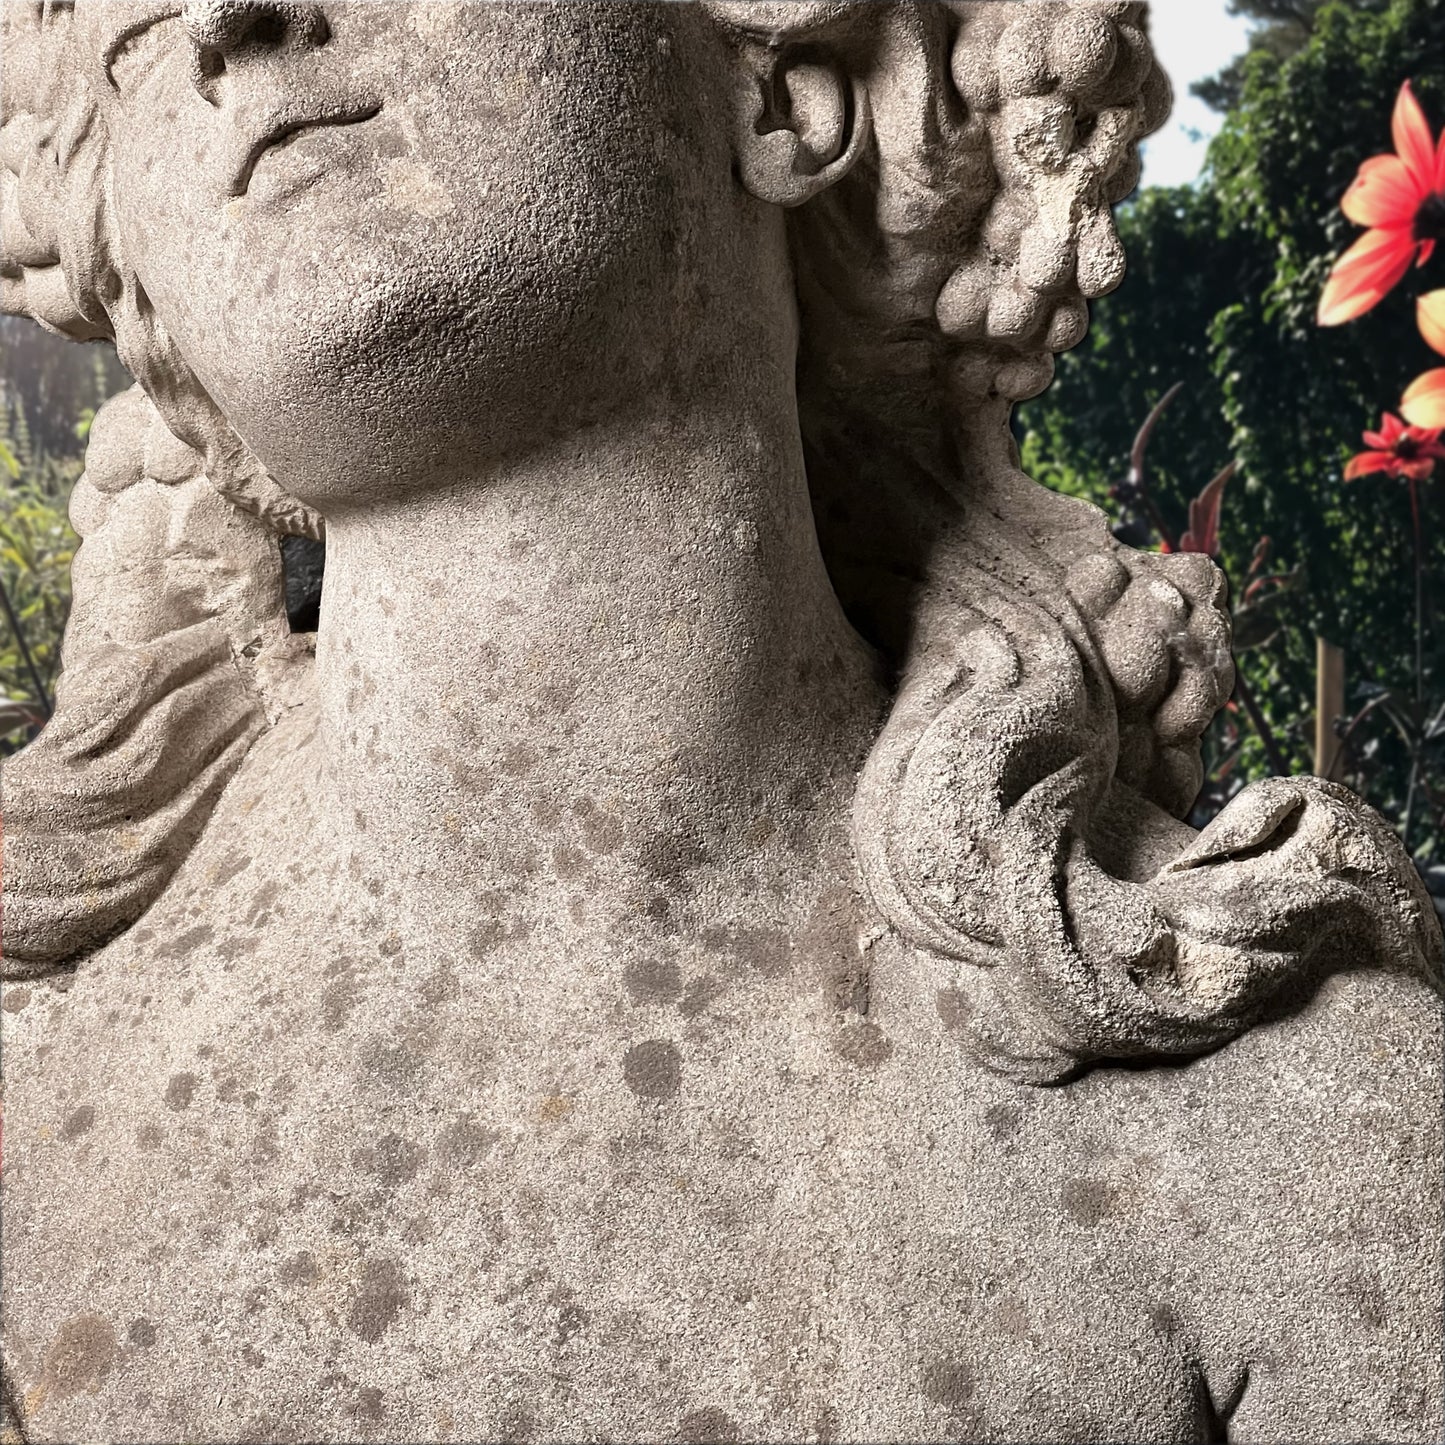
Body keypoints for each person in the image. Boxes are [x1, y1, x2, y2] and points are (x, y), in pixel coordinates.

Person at [2, 3, 1440, 1440]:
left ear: (797, 94)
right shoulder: (31, 1111)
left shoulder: (1283, 1124)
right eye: (123, 19)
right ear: (134, 280)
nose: (226, 24)